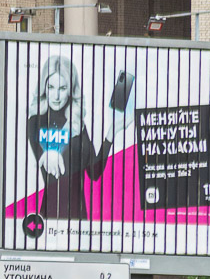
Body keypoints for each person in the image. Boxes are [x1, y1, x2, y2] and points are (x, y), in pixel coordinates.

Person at [25, 54, 132, 221]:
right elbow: (45, 159)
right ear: (44, 88)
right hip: (51, 213)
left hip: (79, 215)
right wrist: (50, 152)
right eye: (51, 87)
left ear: (71, 89)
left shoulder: (77, 125)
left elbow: (94, 173)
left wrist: (112, 132)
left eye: (62, 88)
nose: (56, 96)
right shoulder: (35, 121)